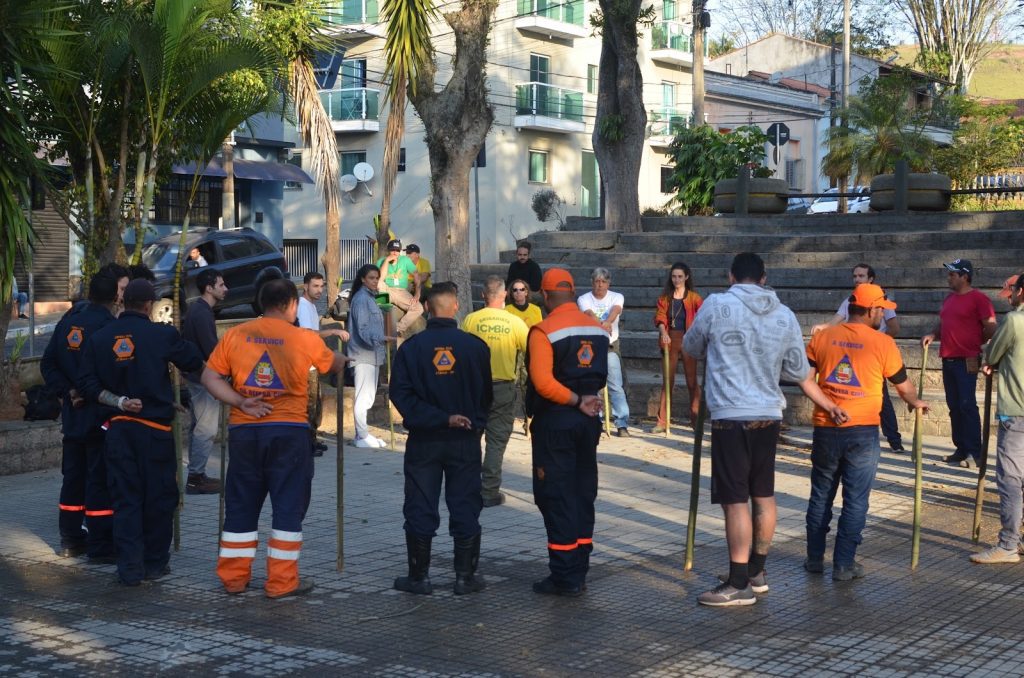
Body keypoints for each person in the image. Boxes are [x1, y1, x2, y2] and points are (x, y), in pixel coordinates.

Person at [683, 252, 847, 607]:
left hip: (731, 413)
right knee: (763, 493)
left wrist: (696, 390)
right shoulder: (784, 315)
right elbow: (801, 373)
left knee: (734, 500)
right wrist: (830, 404)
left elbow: (690, 346)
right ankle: (756, 571)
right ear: (763, 277)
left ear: (730, 276)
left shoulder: (715, 305)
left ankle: (739, 582)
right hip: (768, 414)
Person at [202, 278, 348, 599]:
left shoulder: (236, 335)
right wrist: (342, 360)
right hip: (289, 434)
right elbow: (331, 364)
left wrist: (239, 401)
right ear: (291, 305)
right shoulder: (302, 338)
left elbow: (209, 376)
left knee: (240, 504)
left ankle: (234, 580)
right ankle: (281, 583)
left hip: (244, 431)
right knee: (287, 507)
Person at [78, 279, 204, 586]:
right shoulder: (161, 335)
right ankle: (154, 564)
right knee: (159, 499)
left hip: (118, 432)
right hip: (154, 434)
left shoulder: (99, 339)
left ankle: (129, 569)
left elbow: (87, 385)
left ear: (123, 303)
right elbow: (193, 360)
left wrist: (119, 401)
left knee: (125, 500)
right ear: (148, 306)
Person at [805, 283, 928, 581]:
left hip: (825, 427)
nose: (883, 314)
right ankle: (844, 565)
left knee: (821, 495)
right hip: (862, 432)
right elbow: (903, 386)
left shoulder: (822, 337)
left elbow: (806, 379)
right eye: (882, 309)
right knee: (856, 500)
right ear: (872, 310)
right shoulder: (883, 343)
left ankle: (814, 559)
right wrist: (915, 403)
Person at [389, 282, 493, 595]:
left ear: (428, 309)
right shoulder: (475, 347)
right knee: (465, 503)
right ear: (456, 307)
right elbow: (487, 395)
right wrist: (473, 425)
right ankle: (465, 577)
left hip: (425, 440)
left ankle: (419, 578)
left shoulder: (412, 348)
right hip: (464, 440)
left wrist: (436, 418)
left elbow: (400, 395)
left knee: (421, 504)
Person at [527, 268, 608, 597]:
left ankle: (564, 576)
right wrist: (586, 400)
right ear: (573, 292)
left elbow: (543, 383)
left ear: (545, 297)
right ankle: (580, 567)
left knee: (555, 495)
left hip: (557, 422)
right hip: (589, 421)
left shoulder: (543, 330)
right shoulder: (597, 330)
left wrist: (574, 400)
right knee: (582, 492)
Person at [40, 268, 121, 561]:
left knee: (72, 479)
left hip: (73, 418)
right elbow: (113, 374)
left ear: (89, 295)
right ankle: (102, 545)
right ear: (115, 297)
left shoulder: (67, 324)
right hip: (99, 417)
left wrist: (68, 391)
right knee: (99, 480)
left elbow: (48, 364)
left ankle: (70, 539)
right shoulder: (110, 328)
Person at [812, 263, 904, 452]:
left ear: (870, 279)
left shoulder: (880, 301)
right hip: (850, 355)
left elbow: (894, 328)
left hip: (871, 360)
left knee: (882, 399)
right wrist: (822, 328)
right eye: (855, 276)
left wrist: (876, 345)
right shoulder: (850, 301)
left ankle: (894, 440)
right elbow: (834, 323)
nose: (857, 279)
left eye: (861, 276)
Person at [921, 258, 997, 468]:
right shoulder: (949, 298)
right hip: (948, 358)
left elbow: (990, 327)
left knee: (967, 405)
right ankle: (961, 448)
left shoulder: (979, 299)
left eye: (953, 274)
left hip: (967, 359)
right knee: (954, 405)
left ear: (965, 276)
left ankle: (975, 452)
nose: (949, 277)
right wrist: (933, 334)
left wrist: (978, 341)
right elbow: (944, 321)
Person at [971, 273, 1024, 564]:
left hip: (1017, 410)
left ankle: (1008, 544)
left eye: (1014, 290)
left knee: (1010, 479)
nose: (1011, 294)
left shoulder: (1015, 320)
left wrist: (992, 360)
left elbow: (992, 352)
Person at [462, 276, 528, 507]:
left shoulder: (470, 320)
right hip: (502, 388)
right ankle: (489, 491)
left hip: (474, 388)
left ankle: (466, 489)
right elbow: (530, 351)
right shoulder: (515, 323)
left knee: (471, 439)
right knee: (496, 442)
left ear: (482, 295)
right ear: (505, 295)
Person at [181, 267, 227, 495]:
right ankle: (196, 477)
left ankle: (195, 473)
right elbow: (212, 350)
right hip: (202, 378)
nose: (225, 289)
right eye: (221, 285)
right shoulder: (200, 312)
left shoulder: (199, 310)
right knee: (206, 428)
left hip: (197, 375)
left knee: (199, 425)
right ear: (209, 288)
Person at [298, 272, 350, 457]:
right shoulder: (302, 306)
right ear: (306, 286)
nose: (320, 290)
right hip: (304, 364)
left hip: (313, 362)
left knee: (315, 404)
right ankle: (306, 444)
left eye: (322, 286)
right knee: (308, 406)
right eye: (315, 286)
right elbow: (308, 333)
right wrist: (333, 331)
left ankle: (311, 440)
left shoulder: (311, 306)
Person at [578, 268, 631, 436]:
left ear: (608, 283)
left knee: (616, 384)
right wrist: (602, 325)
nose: (600, 285)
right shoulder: (584, 298)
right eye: (597, 281)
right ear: (592, 282)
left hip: (610, 345)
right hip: (590, 345)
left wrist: (608, 322)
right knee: (593, 385)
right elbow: (589, 313)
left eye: (603, 282)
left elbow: (616, 310)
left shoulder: (617, 296)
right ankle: (596, 419)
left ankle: (621, 423)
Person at [348, 263, 394, 448]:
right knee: (363, 396)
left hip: (374, 354)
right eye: (371, 278)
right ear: (362, 279)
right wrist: (383, 338)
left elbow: (387, 313)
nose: (375, 281)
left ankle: (364, 433)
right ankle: (361, 435)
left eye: (377, 278)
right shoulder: (360, 299)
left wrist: (385, 301)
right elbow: (363, 329)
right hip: (363, 353)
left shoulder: (375, 297)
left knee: (369, 396)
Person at [654, 262, 703, 431]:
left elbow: (701, 319)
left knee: (691, 381)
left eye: (680, 276)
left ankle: (696, 419)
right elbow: (660, 318)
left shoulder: (695, 298)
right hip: (670, 339)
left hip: (689, 339)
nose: (676, 279)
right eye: (674, 276)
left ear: (686, 277)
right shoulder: (664, 298)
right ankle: (662, 421)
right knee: (668, 381)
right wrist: (664, 333)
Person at [376, 239, 423, 338]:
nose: (395, 252)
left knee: (419, 308)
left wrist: (417, 293)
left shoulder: (405, 260)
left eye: (397, 250)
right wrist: (387, 261)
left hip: (401, 292)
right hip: (386, 289)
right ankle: (383, 310)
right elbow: (380, 278)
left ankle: (398, 328)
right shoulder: (381, 261)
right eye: (392, 250)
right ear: (388, 250)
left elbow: (416, 275)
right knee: (379, 283)